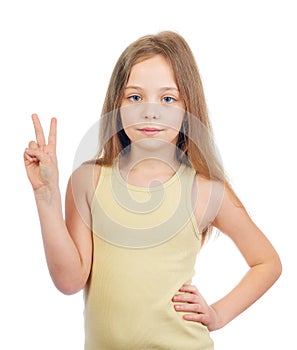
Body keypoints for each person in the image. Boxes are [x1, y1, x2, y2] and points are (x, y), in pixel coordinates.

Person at [24, 31, 282, 350]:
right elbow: (69, 280)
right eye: (135, 97)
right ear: (116, 104)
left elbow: (267, 262)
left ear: (188, 108)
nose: (150, 111)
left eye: (168, 98)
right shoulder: (87, 180)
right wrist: (46, 196)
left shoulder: (204, 189)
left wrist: (218, 314)